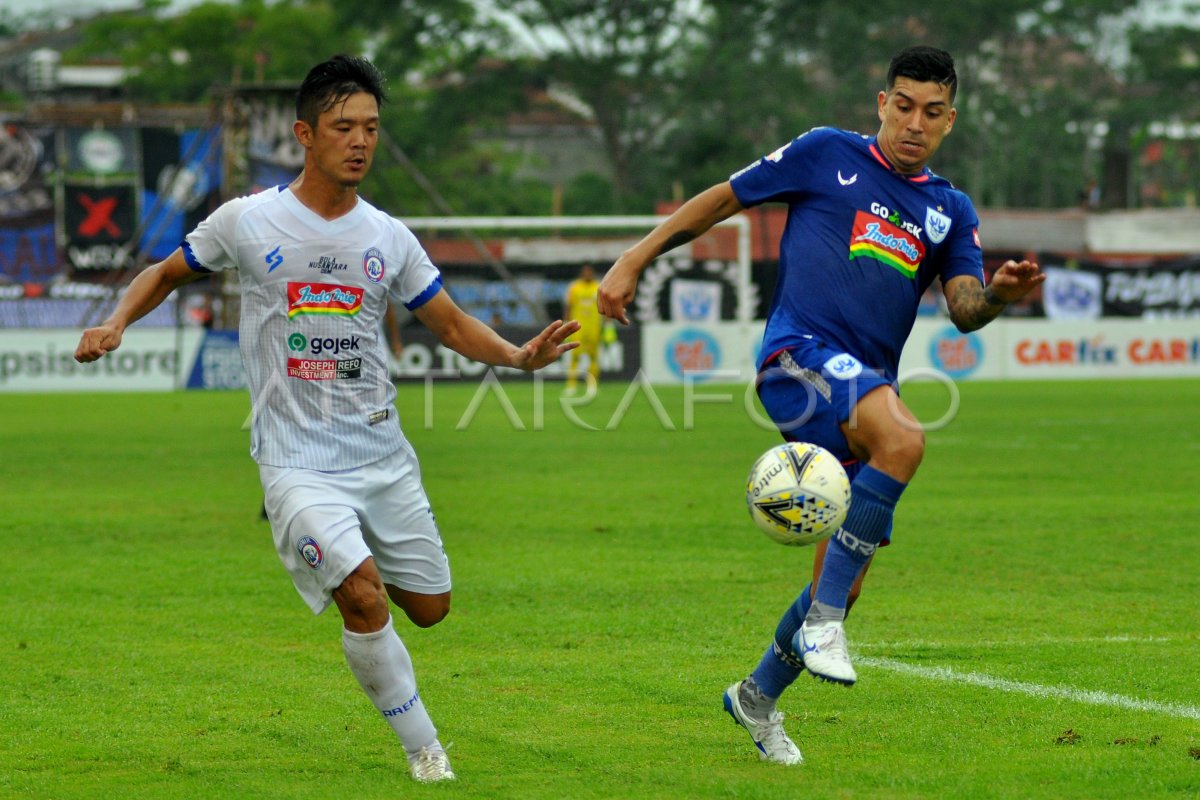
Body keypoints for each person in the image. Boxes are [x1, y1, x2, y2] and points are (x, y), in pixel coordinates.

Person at [75, 54, 579, 783]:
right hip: (294, 461)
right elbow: (165, 272)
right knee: (363, 594)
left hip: (381, 454)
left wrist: (517, 357)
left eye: (371, 127)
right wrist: (117, 321)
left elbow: (450, 322)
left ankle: (382, 616)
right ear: (304, 135)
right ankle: (425, 750)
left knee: (431, 609)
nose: (361, 141)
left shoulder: (388, 236)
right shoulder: (247, 220)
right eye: (344, 126)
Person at [597, 46, 1043, 765]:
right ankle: (826, 625)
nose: (914, 123)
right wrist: (632, 258)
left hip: (864, 388)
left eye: (932, 112)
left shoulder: (949, 209)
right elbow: (723, 198)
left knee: (846, 571)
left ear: (950, 122)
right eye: (903, 105)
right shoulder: (825, 154)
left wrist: (1000, 295)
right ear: (881, 103)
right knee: (904, 442)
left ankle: (756, 696)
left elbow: (964, 307)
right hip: (797, 356)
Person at [562, 263, 602, 393]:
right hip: (577, 327)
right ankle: (571, 385)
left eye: (589, 272)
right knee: (575, 356)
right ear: (581, 273)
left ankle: (592, 385)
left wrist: (608, 324)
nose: (587, 275)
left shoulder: (598, 287)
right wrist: (566, 324)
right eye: (585, 272)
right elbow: (568, 306)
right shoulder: (575, 287)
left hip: (594, 327)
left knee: (593, 357)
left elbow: (604, 306)